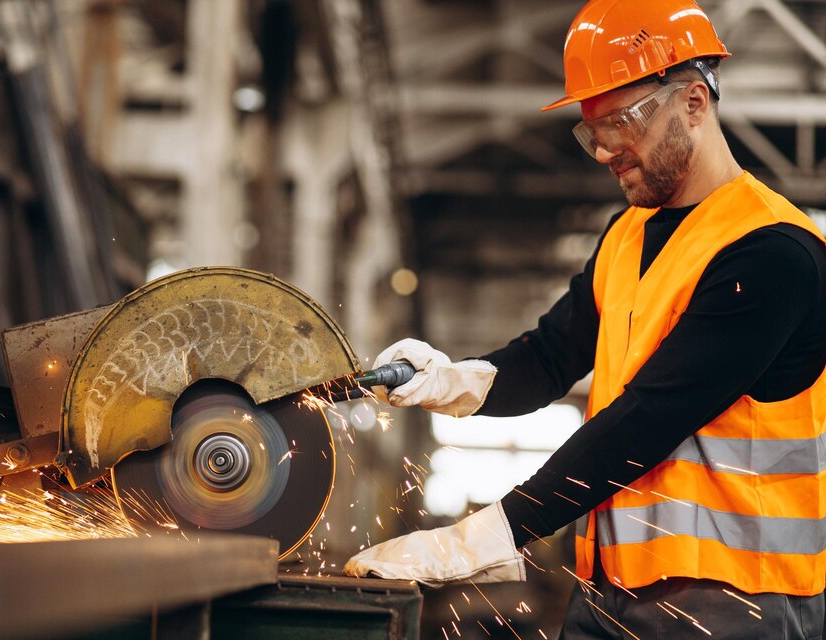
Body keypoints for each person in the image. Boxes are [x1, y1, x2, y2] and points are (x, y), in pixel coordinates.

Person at [343, 1, 826, 638]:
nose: (603, 150)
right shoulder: (626, 237)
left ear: (694, 101)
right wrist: (454, 381)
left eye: (622, 121)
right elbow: (550, 357)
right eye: (590, 129)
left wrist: (483, 536)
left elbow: (648, 419)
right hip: (611, 588)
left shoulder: (773, 255)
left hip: (735, 601)